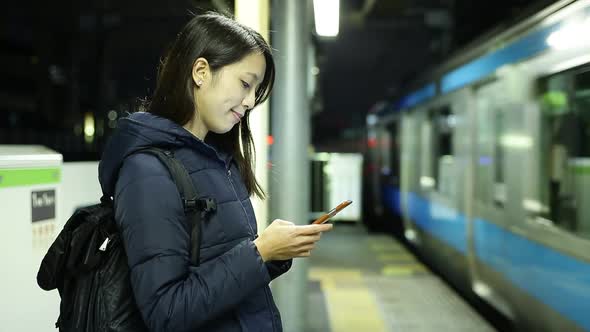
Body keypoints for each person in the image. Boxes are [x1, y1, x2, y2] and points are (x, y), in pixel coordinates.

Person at [98, 12, 332, 332]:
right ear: (201, 71)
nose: (250, 101)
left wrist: (272, 251)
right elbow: (166, 311)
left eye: (255, 90)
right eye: (245, 84)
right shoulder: (146, 172)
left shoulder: (218, 159)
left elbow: (221, 269)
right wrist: (260, 251)